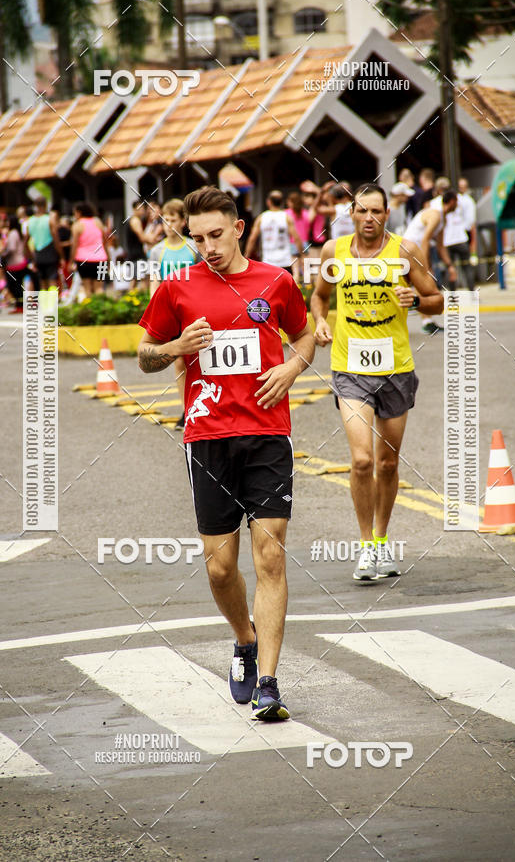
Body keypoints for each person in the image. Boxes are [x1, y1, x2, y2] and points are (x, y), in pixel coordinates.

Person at [138, 185, 315, 720]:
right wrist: (177, 347)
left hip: (267, 434)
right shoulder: (177, 287)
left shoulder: (275, 281)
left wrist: (292, 368)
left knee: (270, 556)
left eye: (216, 235)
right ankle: (244, 638)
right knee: (220, 570)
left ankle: (270, 684)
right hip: (207, 439)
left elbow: (305, 336)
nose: (208, 247)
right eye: (198, 239)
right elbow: (144, 354)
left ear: (239, 228)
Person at [311, 184, 443, 580]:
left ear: (387, 214)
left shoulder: (405, 251)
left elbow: (437, 298)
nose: (369, 218)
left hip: (395, 368)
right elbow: (319, 296)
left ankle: (382, 540)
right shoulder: (333, 251)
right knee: (362, 459)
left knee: (387, 463)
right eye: (362, 210)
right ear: (351, 213)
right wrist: (320, 321)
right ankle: (366, 546)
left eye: (377, 211)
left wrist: (416, 301)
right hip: (349, 367)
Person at [148, 198, 202, 430]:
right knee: (179, 360)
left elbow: (203, 278)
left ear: (183, 222)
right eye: (165, 220)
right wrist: (155, 309)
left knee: (198, 360)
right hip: (172, 313)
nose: (168, 225)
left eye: (173, 220)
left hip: (194, 310)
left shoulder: (193, 248)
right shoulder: (156, 251)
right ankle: (186, 409)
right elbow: (154, 281)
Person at [404, 190, 458, 333]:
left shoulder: (442, 219)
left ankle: (427, 321)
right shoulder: (435, 215)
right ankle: (426, 322)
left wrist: (450, 266)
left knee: (421, 285)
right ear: (452, 201)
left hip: (417, 251)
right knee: (422, 283)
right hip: (409, 250)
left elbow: (440, 246)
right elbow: (425, 240)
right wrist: (425, 267)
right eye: (457, 202)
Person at [245, 190, 302, 275]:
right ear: (282, 202)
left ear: (268, 202)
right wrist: (302, 254)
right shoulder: (287, 217)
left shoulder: (261, 218)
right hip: (285, 261)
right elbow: (296, 238)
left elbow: (252, 239)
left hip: (268, 262)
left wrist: (246, 256)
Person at [70, 202, 108, 297]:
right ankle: (102, 306)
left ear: (79, 212)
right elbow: (105, 242)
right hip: (101, 259)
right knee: (99, 288)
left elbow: (74, 245)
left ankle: (91, 306)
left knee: (87, 289)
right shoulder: (98, 222)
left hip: (83, 260)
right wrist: (109, 259)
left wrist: (71, 261)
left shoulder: (77, 225)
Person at [27, 198, 61, 290]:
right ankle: (52, 300)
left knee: (42, 282)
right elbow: (56, 238)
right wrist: (61, 255)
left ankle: (43, 300)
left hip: (37, 254)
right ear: (46, 205)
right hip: (50, 252)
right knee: (52, 280)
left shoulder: (30, 220)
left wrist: (31, 257)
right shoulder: (49, 219)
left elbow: (25, 242)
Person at [0, 216, 27, 312]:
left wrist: (3, 253)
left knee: (14, 286)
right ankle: (20, 306)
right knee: (18, 285)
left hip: (14, 264)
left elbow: (12, 248)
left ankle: (20, 306)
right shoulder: (17, 232)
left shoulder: (13, 233)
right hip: (19, 263)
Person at [285, 191, 311, 282]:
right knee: (305, 269)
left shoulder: (286, 213)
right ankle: (308, 287)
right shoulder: (305, 213)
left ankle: (296, 286)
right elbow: (308, 228)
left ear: (291, 202)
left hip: (292, 242)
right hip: (305, 242)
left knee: (295, 270)